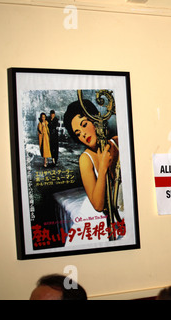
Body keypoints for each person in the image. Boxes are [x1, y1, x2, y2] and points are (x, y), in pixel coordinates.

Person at [63, 99, 122, 245]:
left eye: (84, 125)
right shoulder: (85, 159)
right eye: (78, 133)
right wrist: (102, 168)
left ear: (95, 119)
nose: (83, 134)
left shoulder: (117, 142)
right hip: (96, 218)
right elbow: (98, 206)